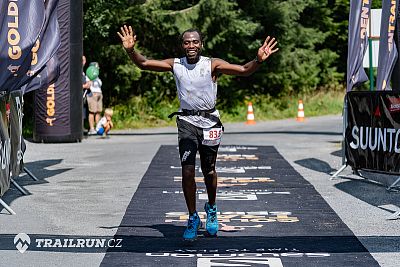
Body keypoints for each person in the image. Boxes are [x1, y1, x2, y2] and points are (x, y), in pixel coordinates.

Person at [117, 25, 278, 241]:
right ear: (182, 45)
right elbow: (144, 63)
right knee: (187, 171)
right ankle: (193, 217)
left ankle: (211, 208)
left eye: (195, 42)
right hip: (186, 122)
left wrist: (257, 60)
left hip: (210, 121)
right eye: (186, 42)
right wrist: (130, 51)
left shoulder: (212, 64)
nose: (191, 45)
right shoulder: (176, 65)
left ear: (201, 44)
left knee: (209, 170)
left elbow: (243, 70)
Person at [87, 62, 103, 135]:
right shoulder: (88, 75)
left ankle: (98, 128)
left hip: (99, 94)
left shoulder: (97, 76)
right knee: (92, 112)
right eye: (97, 66)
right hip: (92, 94)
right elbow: (88, 85)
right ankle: (91, 129)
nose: (98, 68)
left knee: (98, 112)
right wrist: (90, 81)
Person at [82, 56, 91, 133]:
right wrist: (84, 86)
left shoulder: (83, 72)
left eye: (84, 60)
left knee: (83, 111)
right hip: (78, 95)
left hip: (83, 95)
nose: (84, 62)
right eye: (82, 60)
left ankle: (82, 127)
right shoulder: (75, 71)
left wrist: (88, 84)